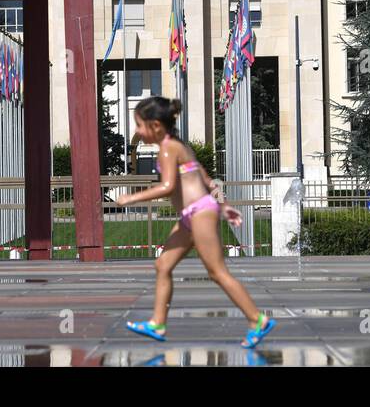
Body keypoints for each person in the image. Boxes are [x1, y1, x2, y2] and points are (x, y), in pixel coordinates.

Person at [113, 96, 276, 348]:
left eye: (138, 125)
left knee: (217, 272)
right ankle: (157, 322)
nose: (136, 131)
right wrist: (224, 206)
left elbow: (167, 187)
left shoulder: (169, 147)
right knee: (163, 264)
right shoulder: (179, 146)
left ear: (155, 126)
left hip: (199, 213)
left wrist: (132, 198)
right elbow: (206, 178)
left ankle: (257, 319)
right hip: (193, 215)